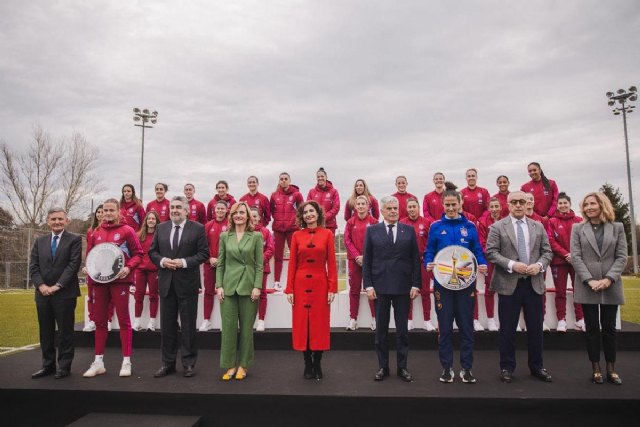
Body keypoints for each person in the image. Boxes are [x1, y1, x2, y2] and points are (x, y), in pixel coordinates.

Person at [485, 191, 553, 383]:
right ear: (508, 204)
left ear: (527, 203)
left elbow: (547, 252)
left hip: (533, 285)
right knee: (507, 329)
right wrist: (512, 264)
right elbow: (491, 252)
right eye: (514, 202)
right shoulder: (498, 227)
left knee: (535, 329)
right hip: (509, 285)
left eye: (522, 202)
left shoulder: (538, 226)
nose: (518, 205)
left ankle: (537, 366)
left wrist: (539, 266)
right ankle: (507, 367)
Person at [424, 189, 487, 383]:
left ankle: (466, 368)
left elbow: (476, 250)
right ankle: (447, 367)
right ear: (442, 205)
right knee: (445, 328)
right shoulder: (435, 227)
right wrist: (428, 262)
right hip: (443, 286)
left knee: (467, 327)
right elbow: (429, 251)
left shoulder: (469, 227)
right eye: (447, 204)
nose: (451, 208)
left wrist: (482, 262)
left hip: (465, 285)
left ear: (460, 204)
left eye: (454, 204)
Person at [570, 192, 627, 385]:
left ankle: (611, 368)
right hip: (589, 286)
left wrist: (610, 278)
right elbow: (576, 257)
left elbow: (621, 256)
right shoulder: (578, 228)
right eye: (586, 205)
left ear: (602, 205)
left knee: (609, 328)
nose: (589, 208)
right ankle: (596, 368)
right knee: (592, 328)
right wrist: (590, 280)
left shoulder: (617, 227)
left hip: (611, 285)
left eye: (592, 204)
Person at [363, 196, 421, 382]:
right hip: (380, 288)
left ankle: (402, 367)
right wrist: (369, 285)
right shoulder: (372, 231)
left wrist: (416, 284)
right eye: (389, 208)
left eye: (396, 208)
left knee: (402, 330)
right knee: (381, 331)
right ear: (382, 211)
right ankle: (383, 367)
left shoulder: (409, 231)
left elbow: (415, 260)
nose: (394, 211)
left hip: (403, 287)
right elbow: (367, 260)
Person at [150, 196, 209, 378]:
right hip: (167, 284)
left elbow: (204, 254)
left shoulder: (198, 229)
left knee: (188, 326)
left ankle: (188, 363)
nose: (174, 210)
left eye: (178, 207)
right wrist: (163, 261)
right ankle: (168, 364)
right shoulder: (161, 228)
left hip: (188, 285)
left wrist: (183, 262)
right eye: (172, 207)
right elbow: (152, 252)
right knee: (167, 327)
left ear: (186, 210)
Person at [83, 198, 143, 378]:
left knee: (124, 320)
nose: (108, 213)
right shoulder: (96, 233)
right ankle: (98, 361)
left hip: (120, 282)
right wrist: (88, 268)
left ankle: (126, 361)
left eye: (111, 210)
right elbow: (90, 257)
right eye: (105, 210)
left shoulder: (127, 231)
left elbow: (138, 254)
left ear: (119, 212)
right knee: (100, 322)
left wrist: (128, 268)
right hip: (100, 283)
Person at [285, 201, 337, 380]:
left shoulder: (328, 234)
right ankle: (307, 363)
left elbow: (331, 263)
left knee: (319, 325)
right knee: (302, 326)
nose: (308, 214)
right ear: (302, 216)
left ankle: (318, 362)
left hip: (320, 285)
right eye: (305, 212)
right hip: (300, 285)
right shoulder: (296, 236)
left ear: (318, 214)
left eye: (311, 211)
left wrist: (332, 288)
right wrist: (289, 289)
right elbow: (292, 264)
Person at [29, 207, 82, 379]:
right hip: (42, 294)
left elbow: (73, 265)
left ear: (66, 221)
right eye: (53, 219)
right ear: (48, 221)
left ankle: (64, 367)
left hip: (65, 294)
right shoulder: (40, 241)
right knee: (46, 332)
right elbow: (34, 266)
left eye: (60, 219)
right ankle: (48, 365)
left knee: (65, 332)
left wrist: (58, 285)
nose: (57, 222)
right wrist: (41, 286)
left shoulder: (74, 240)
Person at [216, 201, 263, 381]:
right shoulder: (224, 236)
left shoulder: (256, 236)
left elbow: (259, 265)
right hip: (228, 287)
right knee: (227, 328)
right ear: (231, 216)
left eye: (242, 213)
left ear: (248, 216)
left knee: (246, 330)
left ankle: (243, 365)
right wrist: (219, 285)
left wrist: (257, 286)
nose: (239, 216)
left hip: (249, 287)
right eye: (236, 213)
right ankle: (229, 365)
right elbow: (220, 263)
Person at [546, 193, 584, 332]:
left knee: (578, 291)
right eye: (560, 203)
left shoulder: (579, 220)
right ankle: (561, 320)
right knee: (560, 292)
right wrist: (565, 254)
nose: (563, 205)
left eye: (565, 203)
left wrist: (574, 255)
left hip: (577, 261)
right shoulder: (552, 221)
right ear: (557, 205)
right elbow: (551, 241)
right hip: (559, 261)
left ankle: (580, 319)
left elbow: (583, 240)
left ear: (570, 203)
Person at [400, 198, 436, 332]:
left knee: (425, 292)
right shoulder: (402, 223)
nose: (411, 209)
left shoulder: (427, 223)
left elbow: (431, 243)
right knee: (408, 292)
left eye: (414, 206)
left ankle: (427, 320)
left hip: (423, 262)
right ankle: (409, 320)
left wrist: (427, 258)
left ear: (418, 207)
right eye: (409, 207)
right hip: (407, 264)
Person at [344, 195, 378, 331]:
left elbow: (377, 241)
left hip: (370, 261)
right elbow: (347, 241)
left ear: (368, 206)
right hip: (354, 261)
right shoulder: (351, 222)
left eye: (363, 203)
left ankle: (375, 319)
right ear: (355, 206)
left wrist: (366, 257)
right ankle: (353, 319)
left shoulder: (374, 222)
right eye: (358, 204)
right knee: (354, 290)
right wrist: (357, 256)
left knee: (372, 290)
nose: (361, 206)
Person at [270, 172, 304, 291]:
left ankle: (296, 280)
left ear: (289, 181)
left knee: (295, 254)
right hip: (278, 229)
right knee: (277, 256)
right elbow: (272, 211)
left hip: (293, 229)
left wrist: (295, 223)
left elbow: (302, 211)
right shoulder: (274, 195)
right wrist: (279, 221)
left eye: (285, 179)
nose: (283, 181)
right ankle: (277, 282)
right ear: (279, 181)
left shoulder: (297, 195)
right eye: (281, 179)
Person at [83, 205, 115, 332]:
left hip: (107, 268)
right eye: (98, 212)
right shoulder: (91, 231)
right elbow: (89, 251)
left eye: (103, 212)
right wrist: (87, 265)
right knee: (91, 295)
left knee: (109, 296)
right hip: (94, 268)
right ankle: (92, 320)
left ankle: (108, 320)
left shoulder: (112, 229)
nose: (100, 214)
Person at [200, 200, 229, 332]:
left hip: (227, 265)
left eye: (222, 209)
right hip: (210, 264)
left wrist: (222, 260)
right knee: (209, 292)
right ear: (214, 210)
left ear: (227, 210)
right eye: (218, 209)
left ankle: (226, 321)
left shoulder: (230, 225)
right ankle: (206, 320)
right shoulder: (207, 225)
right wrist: (209, 258)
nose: (220, 211)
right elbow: (203, 245)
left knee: (227, 292)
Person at [477, 197, 503, 332]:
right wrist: (493, 255)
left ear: (501, 207)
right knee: (490, 290)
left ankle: (506, 320)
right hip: (491, 260)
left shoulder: (506, 221)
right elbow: (481, 243)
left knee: (507, 290)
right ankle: (491, 320)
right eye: (492, 207)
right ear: (488, 208)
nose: (494, 209)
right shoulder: (483, 222)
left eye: (496, 206)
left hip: (505, 261)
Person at [133, 210, 161, 331]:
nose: (151, 221)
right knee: (138, 295)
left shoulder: (160, 235)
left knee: (153, 296)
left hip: (154, 270)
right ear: (145, 220)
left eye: (153, 219)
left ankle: (152, 322)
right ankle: (137, 321)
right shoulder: (139, 235)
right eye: (149, 219)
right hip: (140, 270)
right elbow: (135, 253)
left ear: (156, 221)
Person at [251, 207, 275, 332]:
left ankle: (261, 320)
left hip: (262, 267)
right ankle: (248, 320)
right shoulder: (243, 231)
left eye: (255, 216)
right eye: (251, 216)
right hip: (247, 269)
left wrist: (260, 260)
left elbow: (270, 249)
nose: (253, 218)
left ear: (259, 217)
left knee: (262, 293)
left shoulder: (265, 232)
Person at [307, 167, 340, 234]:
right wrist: (316, 218)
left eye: (322, 176)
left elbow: (336, 208)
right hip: (315, 225)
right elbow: (308, 207)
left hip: (330, 225)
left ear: (326, 177)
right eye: (318, 177)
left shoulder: (334, 191)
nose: (320, 178)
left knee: (329, 244)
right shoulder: (311, 192)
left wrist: (323, 217)